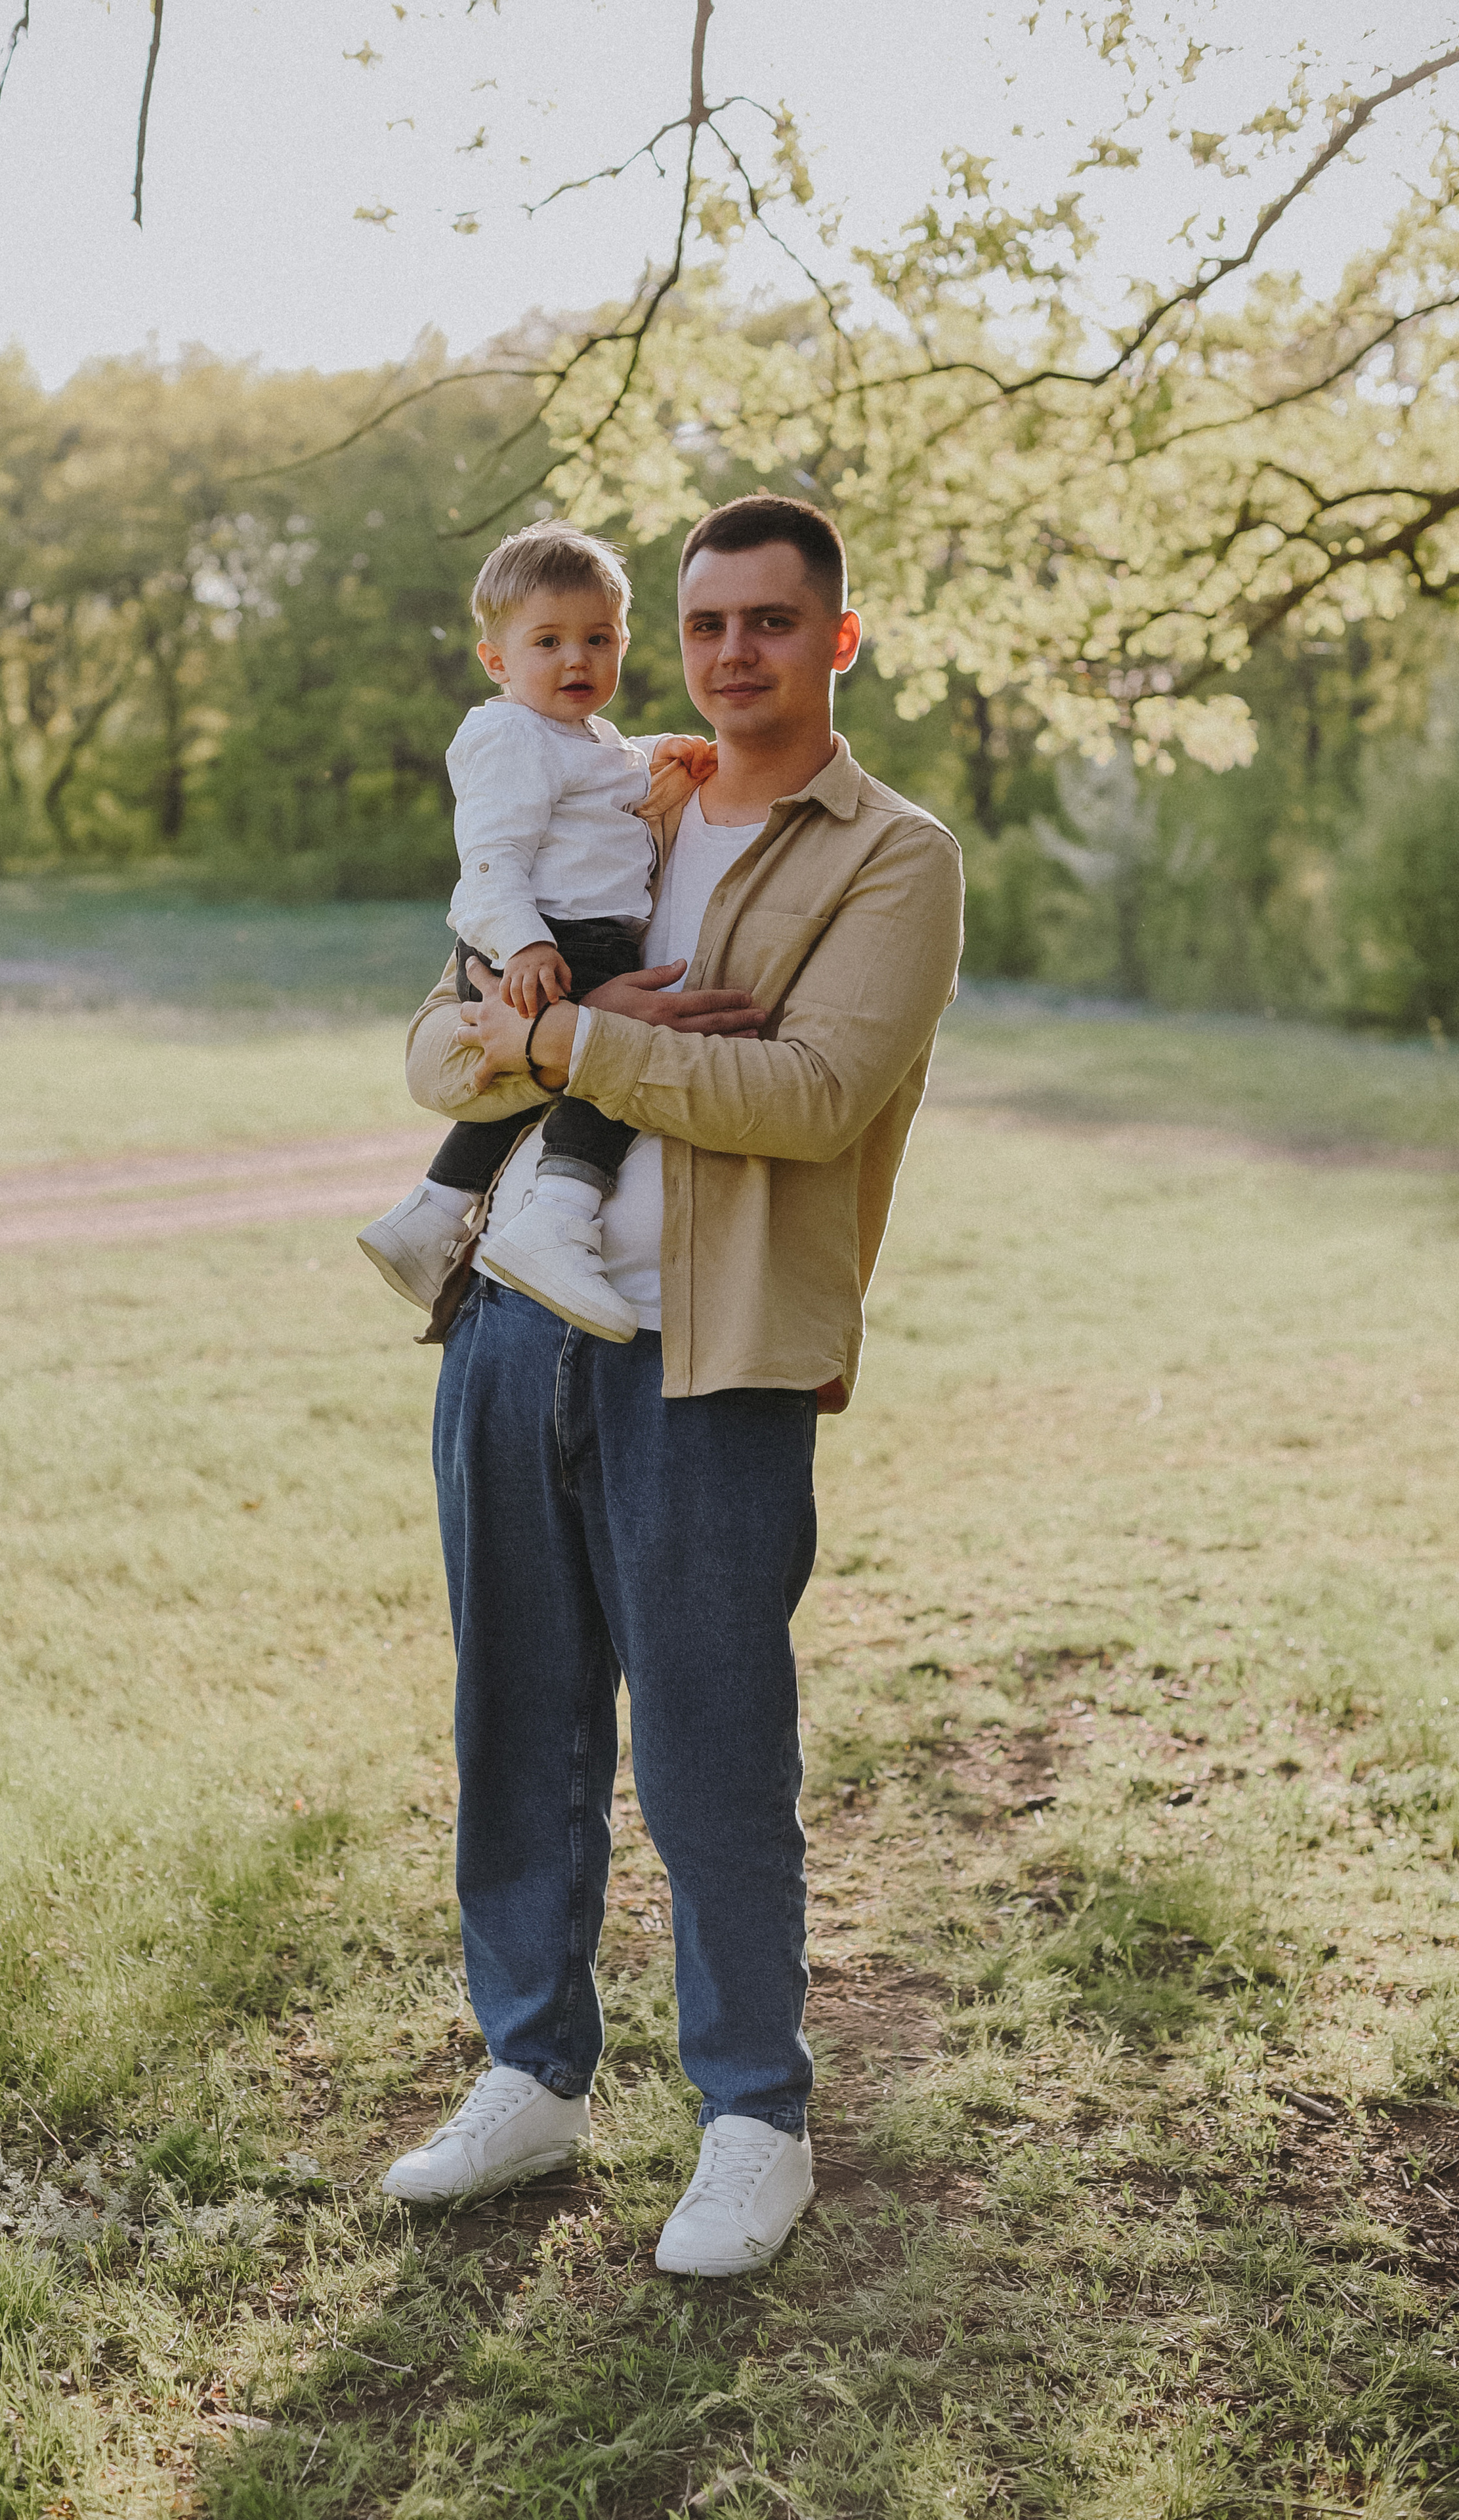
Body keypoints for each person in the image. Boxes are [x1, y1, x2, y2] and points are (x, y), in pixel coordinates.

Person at [381, 494, 963, 2277]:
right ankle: (533, 2072)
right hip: (507, 1330)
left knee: (714, 1748)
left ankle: (750, 2122)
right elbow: (431, 1046)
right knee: (518, 1726)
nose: (732, 651)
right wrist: (569, 1031)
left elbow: (808, 1098)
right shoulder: (603, 784)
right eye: (708, 620)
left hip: (715, 1357)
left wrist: (562, 1041)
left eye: (771, 622)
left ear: (836, 641)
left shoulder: (893, 856)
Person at [357, 518, 713, 1343]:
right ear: (496, 660)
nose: (576, 660)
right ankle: (559, 1214)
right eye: (547, 641)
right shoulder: (510, 734)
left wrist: (669, 749)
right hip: (553, 938)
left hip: (565, 934)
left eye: (598, 638)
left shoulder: (577, 738)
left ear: (625, 640)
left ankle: (433, 1211)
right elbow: (488, 855)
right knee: (607, 1062)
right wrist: (524, 945)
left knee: (564, 1061)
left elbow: (611, 767)